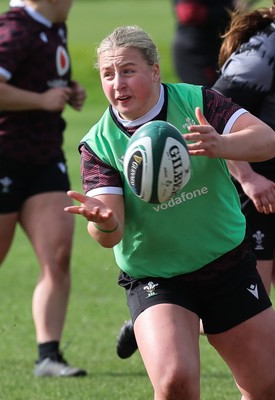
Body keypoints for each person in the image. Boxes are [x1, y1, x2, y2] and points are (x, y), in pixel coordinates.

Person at [65, 25, 275, 399]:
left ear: (155, 71)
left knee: (266, 385)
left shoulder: (198, 102)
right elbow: (108, 236)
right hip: (156, 275)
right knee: (175, 381)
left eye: (128, 71)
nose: (118, 84)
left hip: (225, 262)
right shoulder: (99, 144)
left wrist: (222, 143)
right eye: (108, 75)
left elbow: (267, 141)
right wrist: (106, 222)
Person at [0, 0, 87, 377]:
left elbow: (42, 79)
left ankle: (48, 356)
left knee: (58, 257)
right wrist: (41, 100)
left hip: (46, 159)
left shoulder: (53, 25)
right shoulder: (14, 29)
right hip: (2, 159)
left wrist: (67, 90)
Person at [212, 1, 275, 296]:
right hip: (258, 190)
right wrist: (248, 177)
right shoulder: (263, 52)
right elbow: (210, 115)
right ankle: (160, 314)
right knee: (251, 304)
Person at [172, 0, 236, 86]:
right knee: (207, 96)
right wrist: (231, 7)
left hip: (217, 48)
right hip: (199, 52)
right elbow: (188, 12)